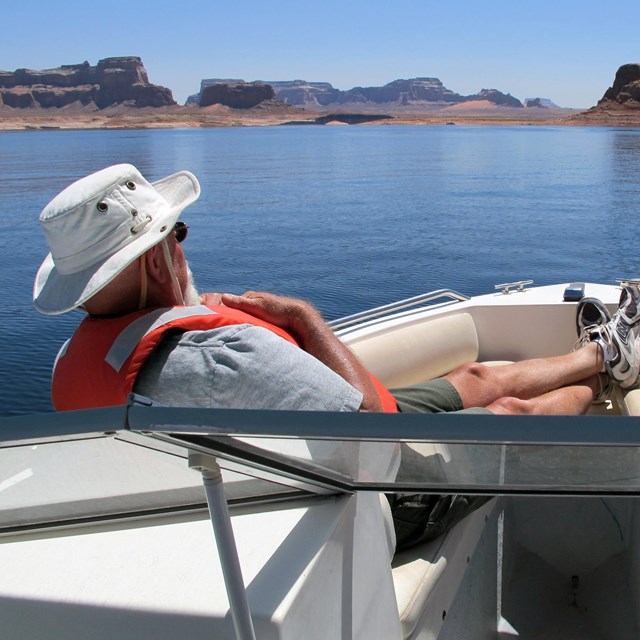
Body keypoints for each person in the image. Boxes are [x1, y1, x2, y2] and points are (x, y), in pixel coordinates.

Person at [33, 164, 640, 548]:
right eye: (179, 235)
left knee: (474, 376)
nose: (185, 248)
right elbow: (376, 435)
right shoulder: (222, 358)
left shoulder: (71, 363)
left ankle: (598, 353)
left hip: (302, 457)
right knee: (508, 413)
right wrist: (303, 318)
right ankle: (609, 377)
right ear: (154, 256)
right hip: (369, 498)